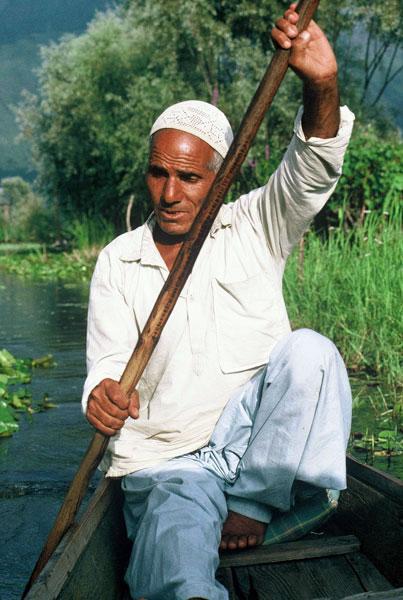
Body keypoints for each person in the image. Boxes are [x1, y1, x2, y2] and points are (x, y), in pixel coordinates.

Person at [82, 5, 354, 599]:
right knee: (178, 576)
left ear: (222, 177)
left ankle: (253, 507)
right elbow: (105, 364)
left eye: (190, 178)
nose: (170, 194)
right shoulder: (118, 261)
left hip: (255, 450)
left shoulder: (257, 223)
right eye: (158, 175)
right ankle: (210, 526)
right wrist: (101, 397)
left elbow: (312, 167)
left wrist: (322, 85)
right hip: (169, 459)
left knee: (310, 352)